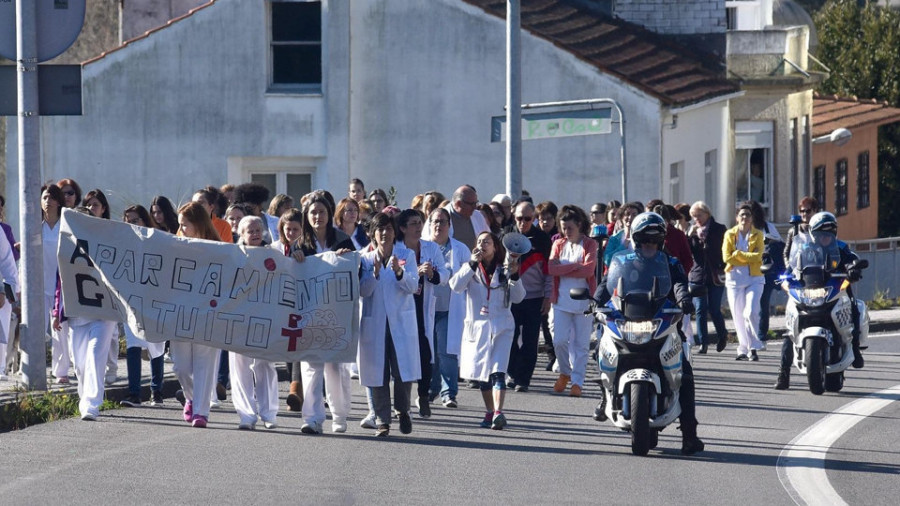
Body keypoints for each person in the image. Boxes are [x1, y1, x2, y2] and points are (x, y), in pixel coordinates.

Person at [593, 212, 704, 455]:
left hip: (660, 318)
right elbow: (606, 284)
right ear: (636, 240)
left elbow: (678, 284)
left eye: (653, 242)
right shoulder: (623, 261)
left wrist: (684, 299)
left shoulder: (670, 262)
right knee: (599, 349)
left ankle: (689, 434)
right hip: (627, 317)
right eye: (645, 241)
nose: (649, 246)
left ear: (661, 242)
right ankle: (603, 397)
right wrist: (595, 301)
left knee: (685, 373)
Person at [775, 212, 865, 389]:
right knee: (790, 329)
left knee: (854, 305)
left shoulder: (840, 247)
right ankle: (783, 373)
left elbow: (852, 258)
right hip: (808, 290)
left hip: (834, 287)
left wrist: (853, 268)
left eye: (830, 233)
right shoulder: (804, 248)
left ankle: (855, 348)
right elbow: (792, 263)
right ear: (813, 233)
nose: (826, 237)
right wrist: (785, 275)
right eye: (822, 233)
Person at [292, 195, 355, 434]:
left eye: (321, 212)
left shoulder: (342, 239)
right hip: (309, 314)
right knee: (311, 366)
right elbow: (292, 278)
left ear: (329, 215)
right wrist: (295, 260)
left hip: (336, 313)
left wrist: (346, 259)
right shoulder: (300, 244)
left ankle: (339, 415)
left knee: (334, 368)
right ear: (307, 217)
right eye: (313, 213)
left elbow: (355, 274)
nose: (317, 217)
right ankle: (312, 418)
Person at [450, 231, 525, 429]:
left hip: (502, 328)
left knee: (498, 372)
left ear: (495, 247)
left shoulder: (505, 269)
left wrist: (515, 275)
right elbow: (455, 286)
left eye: (487, 242)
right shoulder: (471, 269)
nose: (483, 245)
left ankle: (499, 412)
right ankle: (490, 411)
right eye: (480, 241)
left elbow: (518, 297)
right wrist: (471, 265)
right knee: (482, 375)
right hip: (478, 327)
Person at [357, 212, 421, 436]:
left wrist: (399, 271)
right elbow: (363, 291)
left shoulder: (407, 255)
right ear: (373, 234)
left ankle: (403, 410)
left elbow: (413, 286)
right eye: (380, 230)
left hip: (400, 323)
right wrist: (374, 274)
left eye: (389, 229)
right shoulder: (364, 259)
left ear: (395, 232)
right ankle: (383, 420)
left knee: (403, 370)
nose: (385, 233)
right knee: (376, 372)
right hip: (375, 323)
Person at [53, 205, 117, 420]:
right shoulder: (66, 246)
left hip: (102, 314)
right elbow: (60, 282)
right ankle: (84, 399)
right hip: (77, 315)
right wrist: (56, 311)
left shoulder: (107, 243)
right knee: (80, 365)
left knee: (95, 357)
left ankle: (92, 404)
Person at [171, 201, 224, 428]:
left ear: (199, 224)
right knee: (181, 367)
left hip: (208, 315)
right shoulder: (173, 247)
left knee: (205, 364)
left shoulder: (218, 248)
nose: (181, 229)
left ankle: (201, 412)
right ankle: (191, 397)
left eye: (185, 225)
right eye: (180, 225)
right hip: (180, 313)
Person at [396, 209, 448, 418]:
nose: (418, 227)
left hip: (422, 306)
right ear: (402, 228)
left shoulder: (431, 248)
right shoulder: (396, 249)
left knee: (425, 353)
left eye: (420, 222)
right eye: (413, 224)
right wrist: (412, 273)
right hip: (401, 306)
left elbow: (445, 275)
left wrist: (432, 274)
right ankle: (402, 402)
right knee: (403, 356)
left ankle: (423, 395)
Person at [229, 216, 280, 430]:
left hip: (265, 318)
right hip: (238, 319)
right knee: (240, 367)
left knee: (264, 365)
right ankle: (246, 415)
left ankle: (268, 413)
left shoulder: (274, 255)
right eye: (250, 230)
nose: (256, 233)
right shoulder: (231, 256)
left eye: (259, 229)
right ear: (241, 234)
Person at [548, 205, 598, 397]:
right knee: (559, 340)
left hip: (583, 301)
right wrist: (576, 265)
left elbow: (588, 271)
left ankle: (577, 381)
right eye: (563, 228)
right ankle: (565, 372)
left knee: (581, 344)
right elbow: (551, 269)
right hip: (561, 300)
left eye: (569, 228)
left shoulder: (589, 244)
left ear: (579, 225)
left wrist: (566, 266)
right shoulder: (558, 244)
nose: (566, 232)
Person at [119, 206, 166, 407]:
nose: (131, 224)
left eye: (135, 220)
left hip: (155, 300)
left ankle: (157, 391)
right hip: (130, 301)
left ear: (145, 221)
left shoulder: (157, 241)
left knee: (156, 345)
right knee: (133, 344)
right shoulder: (120, 244)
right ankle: (134, 393)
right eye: (127, 220)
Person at [505, 202, 552, 392]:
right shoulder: (505, 234)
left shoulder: (542, 240)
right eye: (519, 218)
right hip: (510, 295)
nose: (522, 222)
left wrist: (548, 297)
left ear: (534, 218)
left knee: (530, 340)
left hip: (534, 297)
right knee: (509, 336)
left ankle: (524, 379)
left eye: (527, 219)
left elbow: (549, 272)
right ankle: (512, 372)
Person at [426, 208, 470, 408]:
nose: (438, 225)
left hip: (450, 308)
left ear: (449, 225)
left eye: (443, 221)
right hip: (427, 307)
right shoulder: (423, 247)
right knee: (430, 351)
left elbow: (471, 276)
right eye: (435, 221)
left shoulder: (459, 249)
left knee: (446, 351)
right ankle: (431, 389)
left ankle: (449, 393)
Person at [83, 189, 120, 386]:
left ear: (103, 208)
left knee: (111, 332)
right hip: (86, 286)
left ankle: (111, 367)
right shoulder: (79, 229)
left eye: (95, 205)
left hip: (108, 287)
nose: (91, 208)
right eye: (88, 205)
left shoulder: (111, 229)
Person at [723, 203, 765, 361]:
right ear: (737, 218)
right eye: (742, 215)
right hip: (734, 280)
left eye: (748, 214)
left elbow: (758, 256)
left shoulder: (758, 235)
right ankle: (743, 348)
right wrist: (747, 256)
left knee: (751, 312)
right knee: (738, 316)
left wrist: (738, 255)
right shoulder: (730, 234)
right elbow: (726, 257)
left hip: (755, 279)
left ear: (752, 218)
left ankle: (754, 347)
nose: (745, 217)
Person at [687, 201, 728, 354]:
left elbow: (725, 250)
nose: (696, 219)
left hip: (716, 274)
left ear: (707, 214)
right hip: (698, 275)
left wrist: (723, 266)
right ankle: (702, 343)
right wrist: (689, 236)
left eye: (699, 215)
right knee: (700, 309)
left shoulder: (719, 229)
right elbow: (688, 253)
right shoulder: (692, 232)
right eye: (693, 216)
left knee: (714, 308)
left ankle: (722, 335)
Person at [42, 184, 70, 384]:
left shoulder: (65, 226)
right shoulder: (35, 227)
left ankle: (61, 371)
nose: (47, 201)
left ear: (58, 201)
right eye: (44, 197)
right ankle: (32, 368)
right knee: (35, 329)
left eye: (51, 197)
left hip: (62, 285)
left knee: (60, 330)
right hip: (38, 286)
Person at [748, 200, 784, 340]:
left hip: (765, 270)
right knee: (751, 306)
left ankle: (761, 335)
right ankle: (752, 334)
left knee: (762, 304)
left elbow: (779, 245)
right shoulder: (742, 230)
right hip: (749, 270)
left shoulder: (767, 227)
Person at [445, 185, 490, 250]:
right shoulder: (439, 217)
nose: (475, 207)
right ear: (458, 204)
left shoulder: (478, 216)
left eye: (476, 203)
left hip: (475, 259)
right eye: (471, 204)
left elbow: (489, 239)